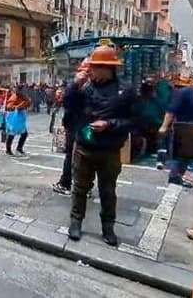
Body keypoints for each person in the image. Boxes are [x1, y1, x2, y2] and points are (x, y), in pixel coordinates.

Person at [66, 45, 136, 246]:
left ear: (107, 68)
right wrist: (74, 86)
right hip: (84, 147)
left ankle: (108, 227)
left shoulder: (125, 91)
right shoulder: (84, 87)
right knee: (79, 187)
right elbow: (69, 107)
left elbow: (133, 121)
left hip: (109, 150)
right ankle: (76, 221)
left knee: (108, 191)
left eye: (94, 67)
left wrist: (109, 124)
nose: (90, 70)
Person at [158, 70, 193, 244]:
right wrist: (164, 126)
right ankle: (166, 207)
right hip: (183, 136)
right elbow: (171, 111)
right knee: (176, 170)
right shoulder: (185, 93)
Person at [52, 58, 90, 195]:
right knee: (84, 156)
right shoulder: (92, 86)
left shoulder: (85, 88)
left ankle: (66, 184)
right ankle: (84, 186)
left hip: (80, 127)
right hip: (83, 127)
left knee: (74, 156)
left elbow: (68, 103)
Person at [5, 86, 31, 156]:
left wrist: (26, 103)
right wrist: (18, 106)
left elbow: (28, 103)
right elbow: (8, 106)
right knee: (11, 133)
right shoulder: (14, 97)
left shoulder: (24, 96)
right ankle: (8, 150)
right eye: (23, 90)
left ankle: (19, 148)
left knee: (24, 134)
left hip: (20, 117)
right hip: (13, 117)